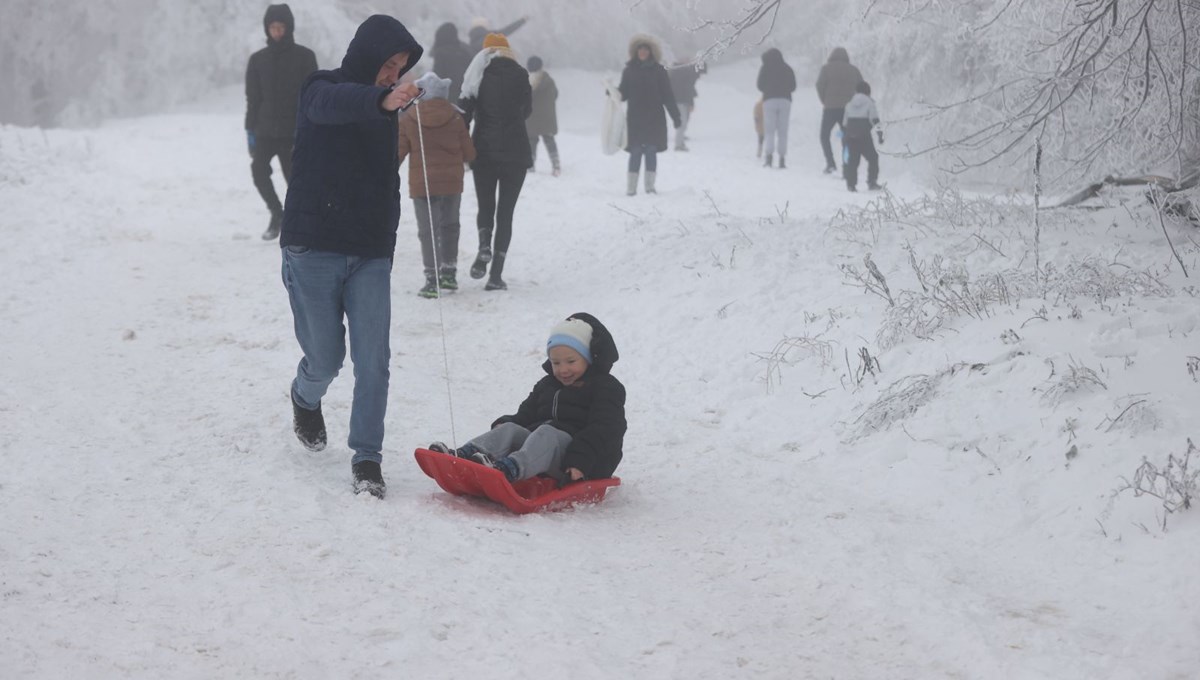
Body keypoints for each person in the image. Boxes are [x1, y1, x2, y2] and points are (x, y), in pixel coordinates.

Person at [278, 15, 423, 498]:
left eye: (400, 68)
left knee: (373, 360)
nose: (393, 74)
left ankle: (367, 458)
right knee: (326, 358)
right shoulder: (321, 87)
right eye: (388, 64)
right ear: (367, 54)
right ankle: (305, 395)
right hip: (313, 245)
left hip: (368, 253)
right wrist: (381, 99)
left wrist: (386, 240)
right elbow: (335, 106)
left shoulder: (388, 110)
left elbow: (384, 179)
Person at [428, 314, 626, 485]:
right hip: (541, 452)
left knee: (547, 432)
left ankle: (509, 469)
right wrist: (504, 425)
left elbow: (605, 430)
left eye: (571, 361)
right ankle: (464, 456)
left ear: (589, 358)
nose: (563, 369)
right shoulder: (547, 385)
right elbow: (526, 415)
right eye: (556, 363)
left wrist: (580, 461)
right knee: (511, 429)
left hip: (581, 462)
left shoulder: (606, 388)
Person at [458, 33, 532, 291]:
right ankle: (495, 276)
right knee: (506, 213)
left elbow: (463, 114)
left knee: (486, 206)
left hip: (485, 152)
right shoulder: (521, 74)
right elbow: (527, 110)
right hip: (516, 153)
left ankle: (484, 246)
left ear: (485, 53)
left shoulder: (477, 76)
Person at [397, 72, 477, 298]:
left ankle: (432, 279)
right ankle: (449, 274)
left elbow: (398, 153)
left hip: (422, 184)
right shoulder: (456, 117)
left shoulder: (410, 117)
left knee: (427, 231)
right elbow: (469, 152)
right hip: (452, 183)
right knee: (450, 226)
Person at [245, 3, 318, 240]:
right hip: (264, 131)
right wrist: (250, 131)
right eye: (272, 27)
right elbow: (253, 98)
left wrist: (310, 129)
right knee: (258, 172)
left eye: (281, 27)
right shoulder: (258, 60)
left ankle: (302, 225)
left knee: (294, 182)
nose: (276, 32)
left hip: (293, 133)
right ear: (267, 29)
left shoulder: (305, 57)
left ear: (289, 28)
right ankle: (277, 213)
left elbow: (312, 97)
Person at [619, 34, 681, 196]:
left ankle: (649, 187)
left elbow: (668, 95)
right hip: (635, 118)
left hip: (655, 118)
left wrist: (676, 116)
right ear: (635, 51)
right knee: (636, 151)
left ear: (651, 52)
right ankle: (631, 188)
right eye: (640, 49)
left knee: (651, 151)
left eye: (646, 49)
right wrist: (612, 93)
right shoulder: (629, 71)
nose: (643, 52)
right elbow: (623, 93)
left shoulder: (659, 71)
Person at [816, 47, 863, 174]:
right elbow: (862, 87)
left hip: (830, 108)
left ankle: (830, 163)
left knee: (824, 135)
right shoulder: (853, 70)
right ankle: (846, 167)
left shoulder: (826, 69)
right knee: (848, 138)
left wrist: (824, 100)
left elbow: (819, 85)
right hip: (848, 110)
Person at [756, 48, 796, 169]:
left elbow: (759, 85)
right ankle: (782, 159)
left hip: (769, 100)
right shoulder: (787, 68)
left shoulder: (765, 68)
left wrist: (768, 90)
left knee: (769, 130)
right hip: (785, 100)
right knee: (783, 131)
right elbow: (793, 86)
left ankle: (769, 157)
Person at [843, 80, 883, 192]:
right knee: (873, 158)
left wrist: (846, 137)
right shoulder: (870, 102)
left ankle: (851, 185)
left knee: (853, 160)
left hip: (851, 135)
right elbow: (875, 119)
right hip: (864, 135)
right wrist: (880, 135)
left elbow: (845, 122)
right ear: (868, 91)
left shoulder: (849, 103)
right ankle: (872, 182)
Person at [525, 56, 560, 176]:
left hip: (532, 118)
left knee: (531, 141)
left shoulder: (527, 81)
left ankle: (530, 166)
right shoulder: (549, 80)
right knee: (549, 140)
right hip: (547, 118)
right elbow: (555, 95)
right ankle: (556, 165)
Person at [667, 60, 705, 151]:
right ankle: (678, 144)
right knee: (682, 123)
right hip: (680, 102)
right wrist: (691, 103)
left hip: (679, 101)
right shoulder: (685, 77)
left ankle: (680, 141)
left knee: (683, 122)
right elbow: (688, 90)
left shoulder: (677, 75)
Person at [429, 22, 472, 102]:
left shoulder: (440, 52)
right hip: (466, 96)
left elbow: (438, 78)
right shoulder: (465, 51)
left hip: (448, 97)